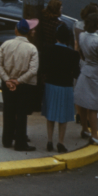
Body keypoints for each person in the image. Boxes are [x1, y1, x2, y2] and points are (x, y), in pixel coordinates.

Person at [0, 21, 39, 152]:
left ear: (16, 30)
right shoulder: (32, 49)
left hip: (7, 84)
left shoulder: (5, 44)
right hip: (25, 86)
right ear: (28, 33)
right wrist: (18, 81)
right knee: (21, 113)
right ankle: (20, 143)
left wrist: (8, 80)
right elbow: (33, 70)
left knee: (8, 110)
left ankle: (7, 140)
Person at [39, 18, 79, 153]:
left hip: (51, 84)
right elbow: (76, 73)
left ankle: (49, 141)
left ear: (56, 36)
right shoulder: (73, 54)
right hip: (66, 87)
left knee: (50, 114)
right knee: (63, 117)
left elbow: (43, 68)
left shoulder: (48, 49)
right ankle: (60, 142)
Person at [75, 8, 98, 145]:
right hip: (97, 74)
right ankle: (94, 134)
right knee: (93, 106)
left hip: (86, 70)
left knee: (83, 103)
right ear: (96, 25)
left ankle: (85, 129)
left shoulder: (82, 36)